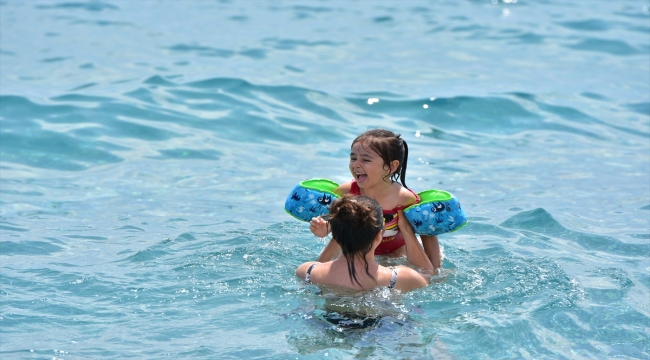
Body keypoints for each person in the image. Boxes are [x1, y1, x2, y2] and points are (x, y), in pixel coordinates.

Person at [309, 129, 443, 269]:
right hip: (355, 253)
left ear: (391, 166)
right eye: (353, 158)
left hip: (395, 256)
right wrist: (326, 228)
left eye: (366, 160)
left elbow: (427, 233)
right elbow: (339, 226)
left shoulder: (405, 199)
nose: (356, 165)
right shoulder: (347, 192)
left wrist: (435, 269)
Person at [296, 195, 433, 292]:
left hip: (326, 325)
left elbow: (320, 264)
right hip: (382, 328)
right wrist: (420, 231)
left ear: (335, 236)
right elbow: (429, 274)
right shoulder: (399, 278)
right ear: (379, 235)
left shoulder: (307, 271)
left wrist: (339, 231)